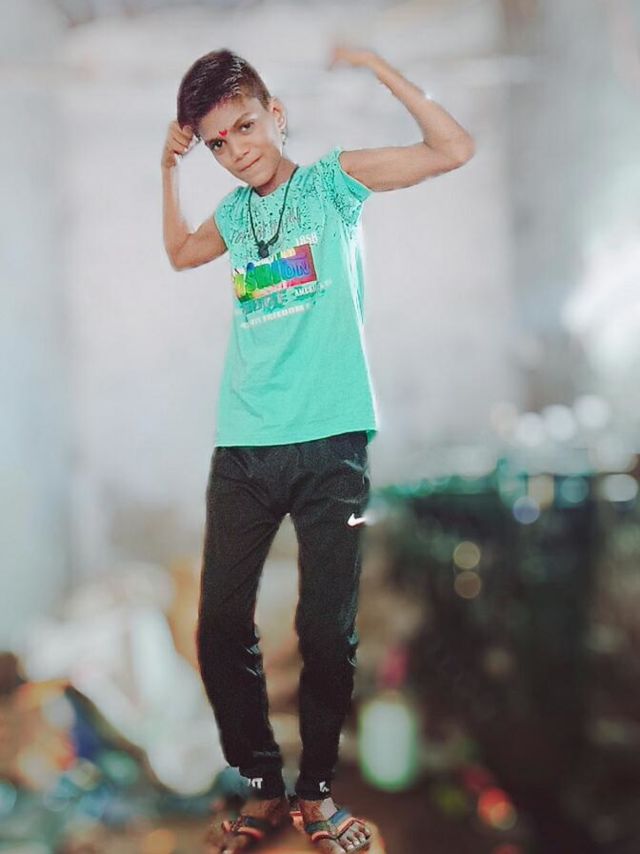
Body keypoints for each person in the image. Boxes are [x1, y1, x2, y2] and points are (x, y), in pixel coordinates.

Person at [161, 45, 474, 853]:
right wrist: (168, 170)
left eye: (245, 126)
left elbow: (452, 149)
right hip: (244, 445)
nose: (237, 150)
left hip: (333, 443)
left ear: (276, 115)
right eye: (218, 142)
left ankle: (318, 793)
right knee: (219, 627)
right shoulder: (233, 216)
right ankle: (263, 786)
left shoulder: (332, 184)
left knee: (327, 632)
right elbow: (180, 253)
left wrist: (377, 64)